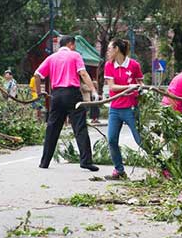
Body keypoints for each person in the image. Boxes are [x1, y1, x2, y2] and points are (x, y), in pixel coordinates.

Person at [33, 35, 99, 171]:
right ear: (70, 44)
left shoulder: (51, 58)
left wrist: (39, 93)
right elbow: (83, 73)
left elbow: (37, 74)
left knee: (52, 129)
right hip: (72, 94)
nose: (74, 48)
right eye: (74, 45)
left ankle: (44, 162)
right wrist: (93, 90)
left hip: (56, 95)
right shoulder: (75, 55)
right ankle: (86, 161)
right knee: (79, 127)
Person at [103, 38, 144, 180]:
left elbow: (140, 83)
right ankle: (119, 170)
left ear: (116, 49)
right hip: (114, 108)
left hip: (131, 108)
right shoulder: (109, 65)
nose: (108, 52)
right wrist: (129, 86)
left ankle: (164, 167)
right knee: (112, 140)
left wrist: (139, 88)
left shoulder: (134, 65)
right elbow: (112, 87)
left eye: (109, 49)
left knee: (140, 140)